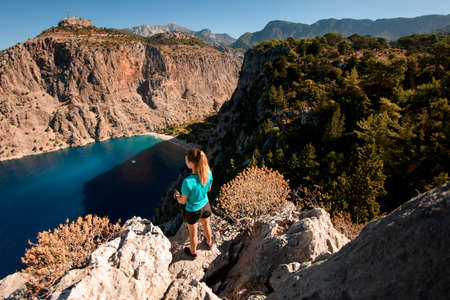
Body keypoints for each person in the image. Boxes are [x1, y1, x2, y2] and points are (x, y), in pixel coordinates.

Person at [174, 148, 213, 257]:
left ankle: (193, 252)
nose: (185, 162)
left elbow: (183, 201)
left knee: (193, 233)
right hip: (205, 205)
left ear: (191, 163)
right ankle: (209, 243)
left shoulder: (187, 182)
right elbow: (209, 189)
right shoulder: (208, 173)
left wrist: (177, 196)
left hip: (193, 210)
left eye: (186, 160)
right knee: (206, 225)